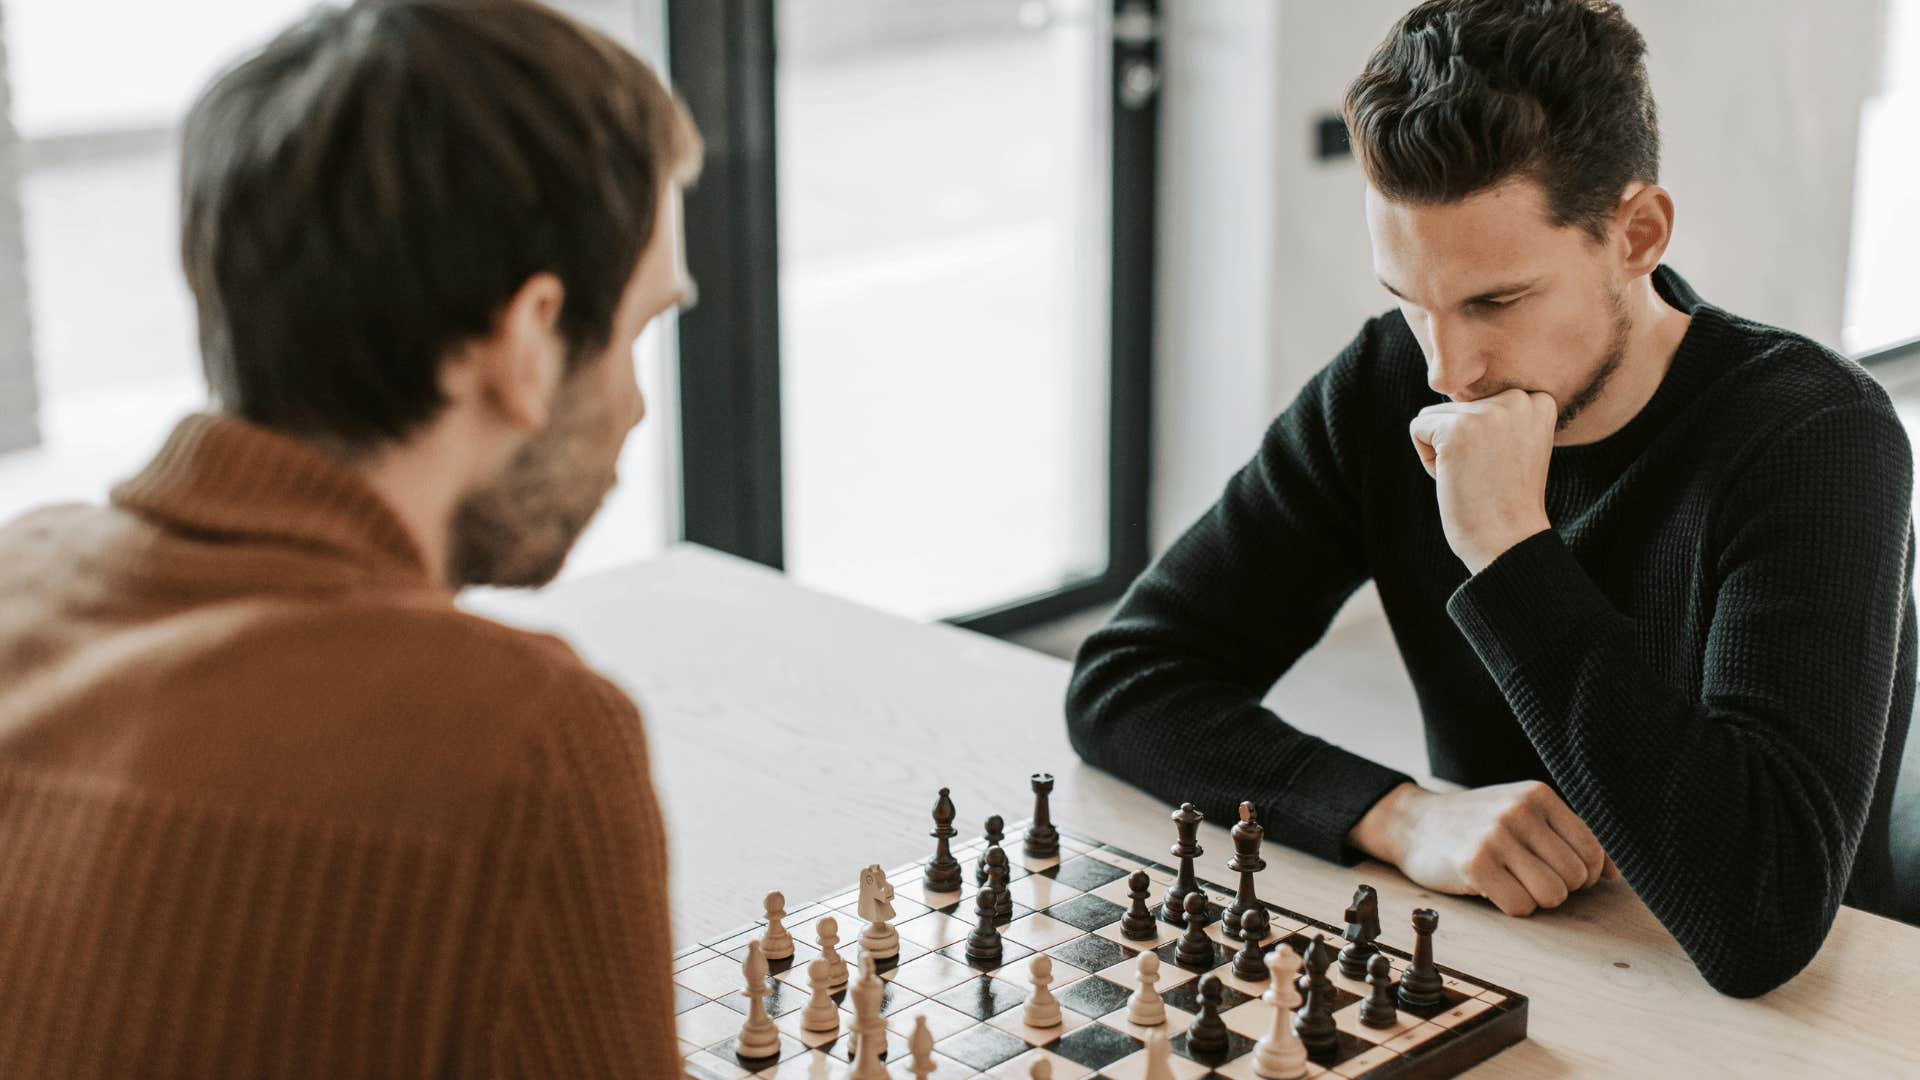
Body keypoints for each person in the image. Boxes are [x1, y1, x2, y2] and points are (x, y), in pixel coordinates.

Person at [1066, 0, 1915, 999]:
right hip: (1513, 967)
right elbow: (1129, 680)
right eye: (1409, 301)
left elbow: (1756, 920)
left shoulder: (1814, 438)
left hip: (1790, 1018)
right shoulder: (1390, 381)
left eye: (1496, 302)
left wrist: (1511, 550)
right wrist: (1399, 814)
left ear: (1636, 233)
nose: (1451, 370)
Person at [0, 1, 701, 1073]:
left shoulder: (20, 574)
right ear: (527, 340)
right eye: (642, 331)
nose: (640, 410)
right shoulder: (529, 748)